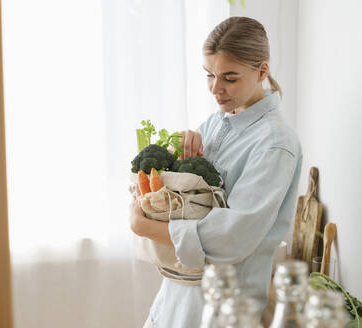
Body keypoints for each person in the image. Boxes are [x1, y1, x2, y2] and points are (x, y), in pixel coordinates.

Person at [129, 16, 302, 328]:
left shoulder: (275, 144)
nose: (215, 88)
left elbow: (232, 235)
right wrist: (179, 159)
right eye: (209, 75)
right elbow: (186, 203)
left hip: (225, 309)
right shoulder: (216, 123)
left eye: (229, 78)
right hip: (176, 299)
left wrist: (143, 227)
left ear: (262, 71)